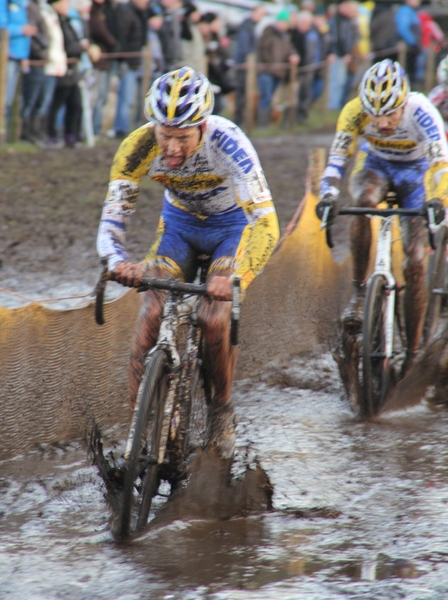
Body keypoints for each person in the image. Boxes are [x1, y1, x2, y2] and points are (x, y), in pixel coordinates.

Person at [96, 67, 279, 458]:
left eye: (182, 137)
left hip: (231, 228)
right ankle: (137, 434)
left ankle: (221, 409)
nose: (172, 147)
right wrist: (116, 260)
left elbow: (266, 223)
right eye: (165, 136)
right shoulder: (138, 146)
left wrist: (238, 279)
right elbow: (113, 217)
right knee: (150, 313)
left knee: (214, 318)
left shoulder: (230, 144)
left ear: (202, 126)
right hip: (178, 227)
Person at [316, 59, 448, 371]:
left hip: (417, 175)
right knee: (362, 201)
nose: (383, 122)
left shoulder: (422, 110)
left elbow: (440, 164)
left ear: (404, 101)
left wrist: (438, 199)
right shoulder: (353, 111)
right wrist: (328, 193)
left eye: (390, 113)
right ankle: (360, 294)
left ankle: (413, 354)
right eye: (375, 115)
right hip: (375, 165)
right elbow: (338, 159)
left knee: (415, 262)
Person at [256, 9, 299, 127]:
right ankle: (262, 125)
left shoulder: (285, 37)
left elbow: (290, 49)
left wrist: (293, 55)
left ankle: (268, 123)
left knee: (271, 99)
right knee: (266, 97)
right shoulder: (268, 33)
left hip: (278, 73)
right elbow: (263, 51)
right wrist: (272, 65)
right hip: (267, 71)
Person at [233, 4, 266, 126]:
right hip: (244, 65)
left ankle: (243, 120)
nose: (261, 17)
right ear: (254, 13)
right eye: (260, 14)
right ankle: (239, 120)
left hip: (247, 65)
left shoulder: (250, 26)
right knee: (241, 93)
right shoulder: (247, 26)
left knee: (245, 94)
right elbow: (244, 47)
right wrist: (248, 60)